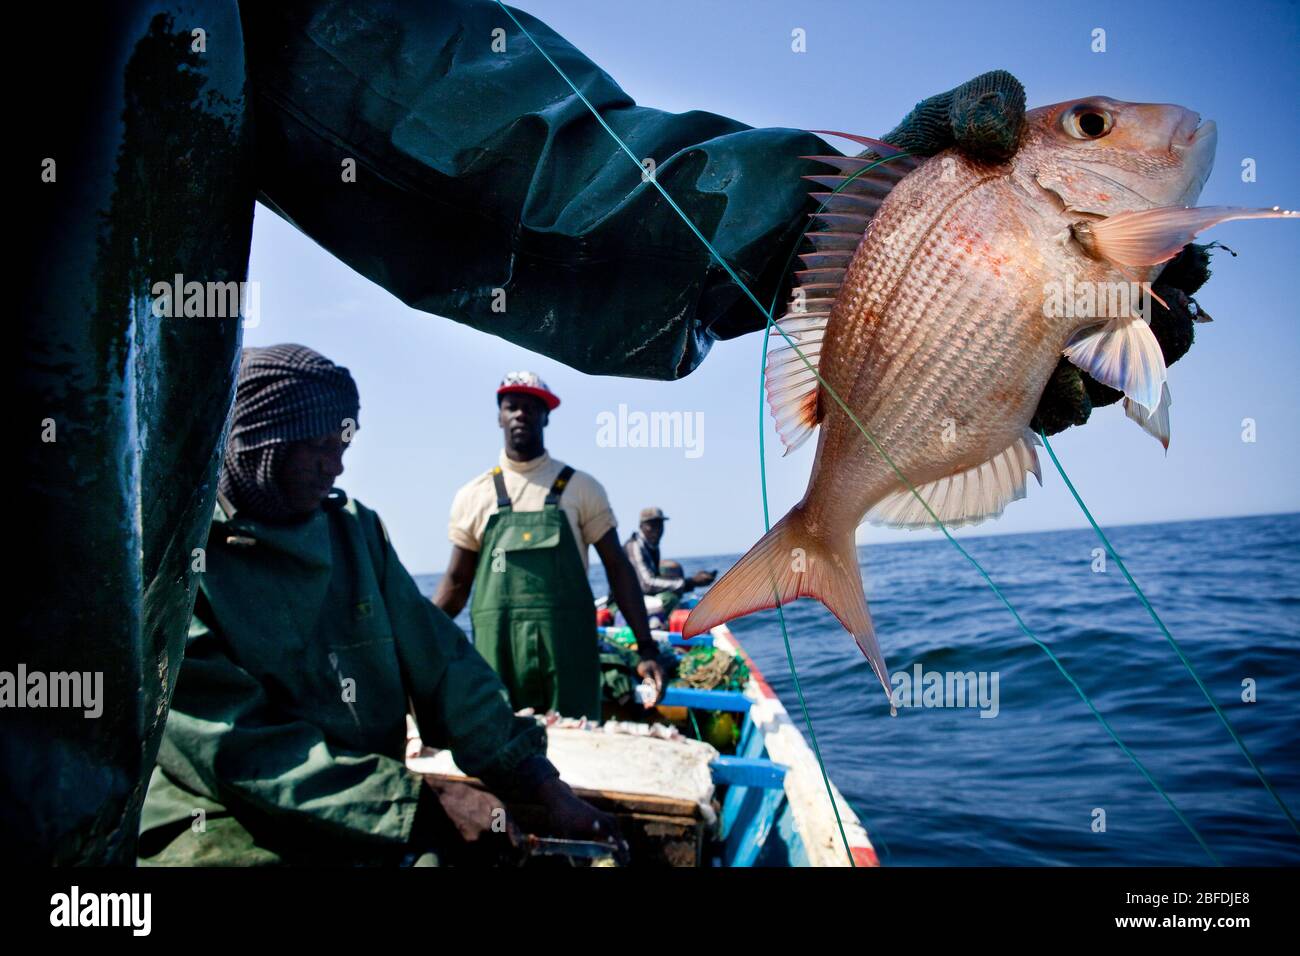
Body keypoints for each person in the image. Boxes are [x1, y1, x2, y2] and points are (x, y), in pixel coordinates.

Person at [17, 0, 1216, 866]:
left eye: (527, 407)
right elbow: (421, 617)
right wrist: (425, 801)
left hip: (126, 807)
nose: (341, 454)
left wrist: (833, 230)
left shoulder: (388, 522)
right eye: (321, 438)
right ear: (248, 445)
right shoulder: (260, 555)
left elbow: (486, 140)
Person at [138, 345, 617, 866]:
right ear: (259, 442)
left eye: (343, 443)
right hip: (223, 817)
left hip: (373, 809)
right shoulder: (173, 557)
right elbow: (229, 745)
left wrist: (537, 779)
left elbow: (445, 666)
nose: (337, 465)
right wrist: (414, 804)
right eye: (319, 444)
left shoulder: (354, 532)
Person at [434, 373, 666, 720]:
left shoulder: (582, 488)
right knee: (499, 744)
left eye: (531, 407)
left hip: (568, 651)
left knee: (578, 743)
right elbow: (456, 585)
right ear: (499, 416)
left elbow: (618, 568)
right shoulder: (473, 495)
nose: (520, 415)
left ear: (546, 415)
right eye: (512, 407)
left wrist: (646, 648)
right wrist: (411, 642)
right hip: (498, 653)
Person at [625, 508, 717, 616]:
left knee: (675, 596)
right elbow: (646, 583)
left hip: (641, 598)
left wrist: (690, 584)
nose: (657, 530)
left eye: (660, 525)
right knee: (669, 599)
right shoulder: (634, 546)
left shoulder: (652, 547)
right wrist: (690, 582)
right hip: (624, 601)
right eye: (652, 525)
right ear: (641, 526)